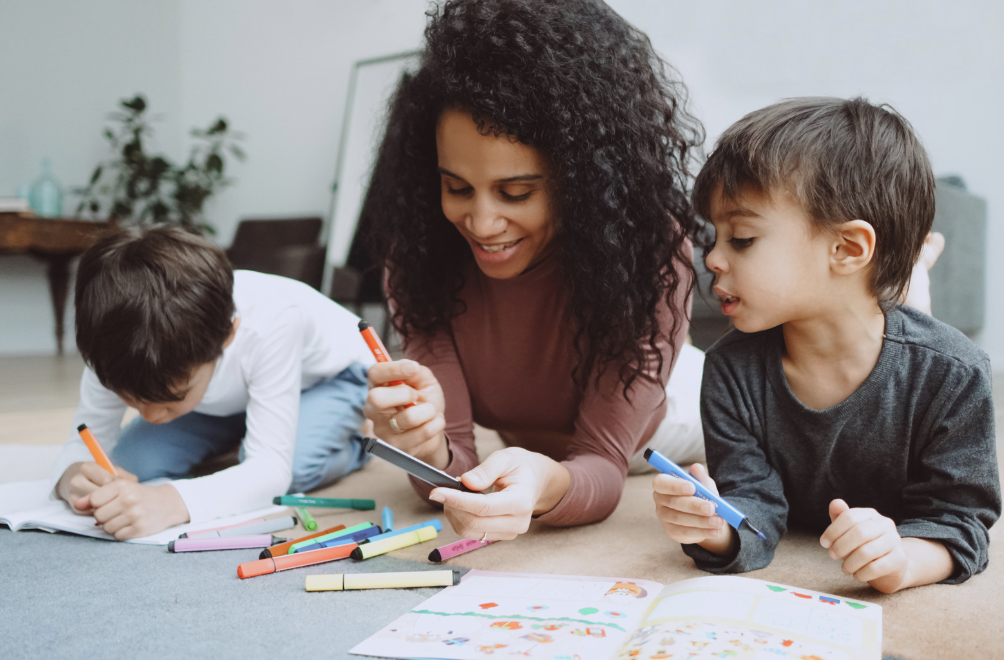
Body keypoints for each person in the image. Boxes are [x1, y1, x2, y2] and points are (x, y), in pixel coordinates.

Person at [360, 0, 707, 540]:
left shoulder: (650, 256)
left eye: (515, 192)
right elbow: (449, 471)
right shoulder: (420, 254)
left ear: (585, 181)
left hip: (667, 414)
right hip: (538, 448)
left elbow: (602, 467)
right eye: (456, 187)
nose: (480, 221)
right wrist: (425, 448)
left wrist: (545, 484)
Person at [653, 97, 1001, 593]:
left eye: (743, 238)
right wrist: (718, 532)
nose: (712, 260)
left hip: (908, 340)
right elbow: (750, 498)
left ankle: (915, 272)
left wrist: (903, 559)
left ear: (846, 248)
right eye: (715, 238)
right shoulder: (731, 368)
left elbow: (959, 519)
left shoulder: (955, 373)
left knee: (914, 326)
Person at [50, 225, 374, 540]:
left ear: (228, 336)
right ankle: (241, 429)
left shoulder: (273, 321)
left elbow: (272, 472)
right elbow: (84, 439)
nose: (149, 416)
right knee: (131, 465)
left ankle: (360, 446)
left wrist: (169, 503)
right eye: (132, 399)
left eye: (172, 396)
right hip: (229, 399)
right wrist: (71, 477)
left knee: (295, 468)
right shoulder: (114, 339)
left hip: (330, 380)